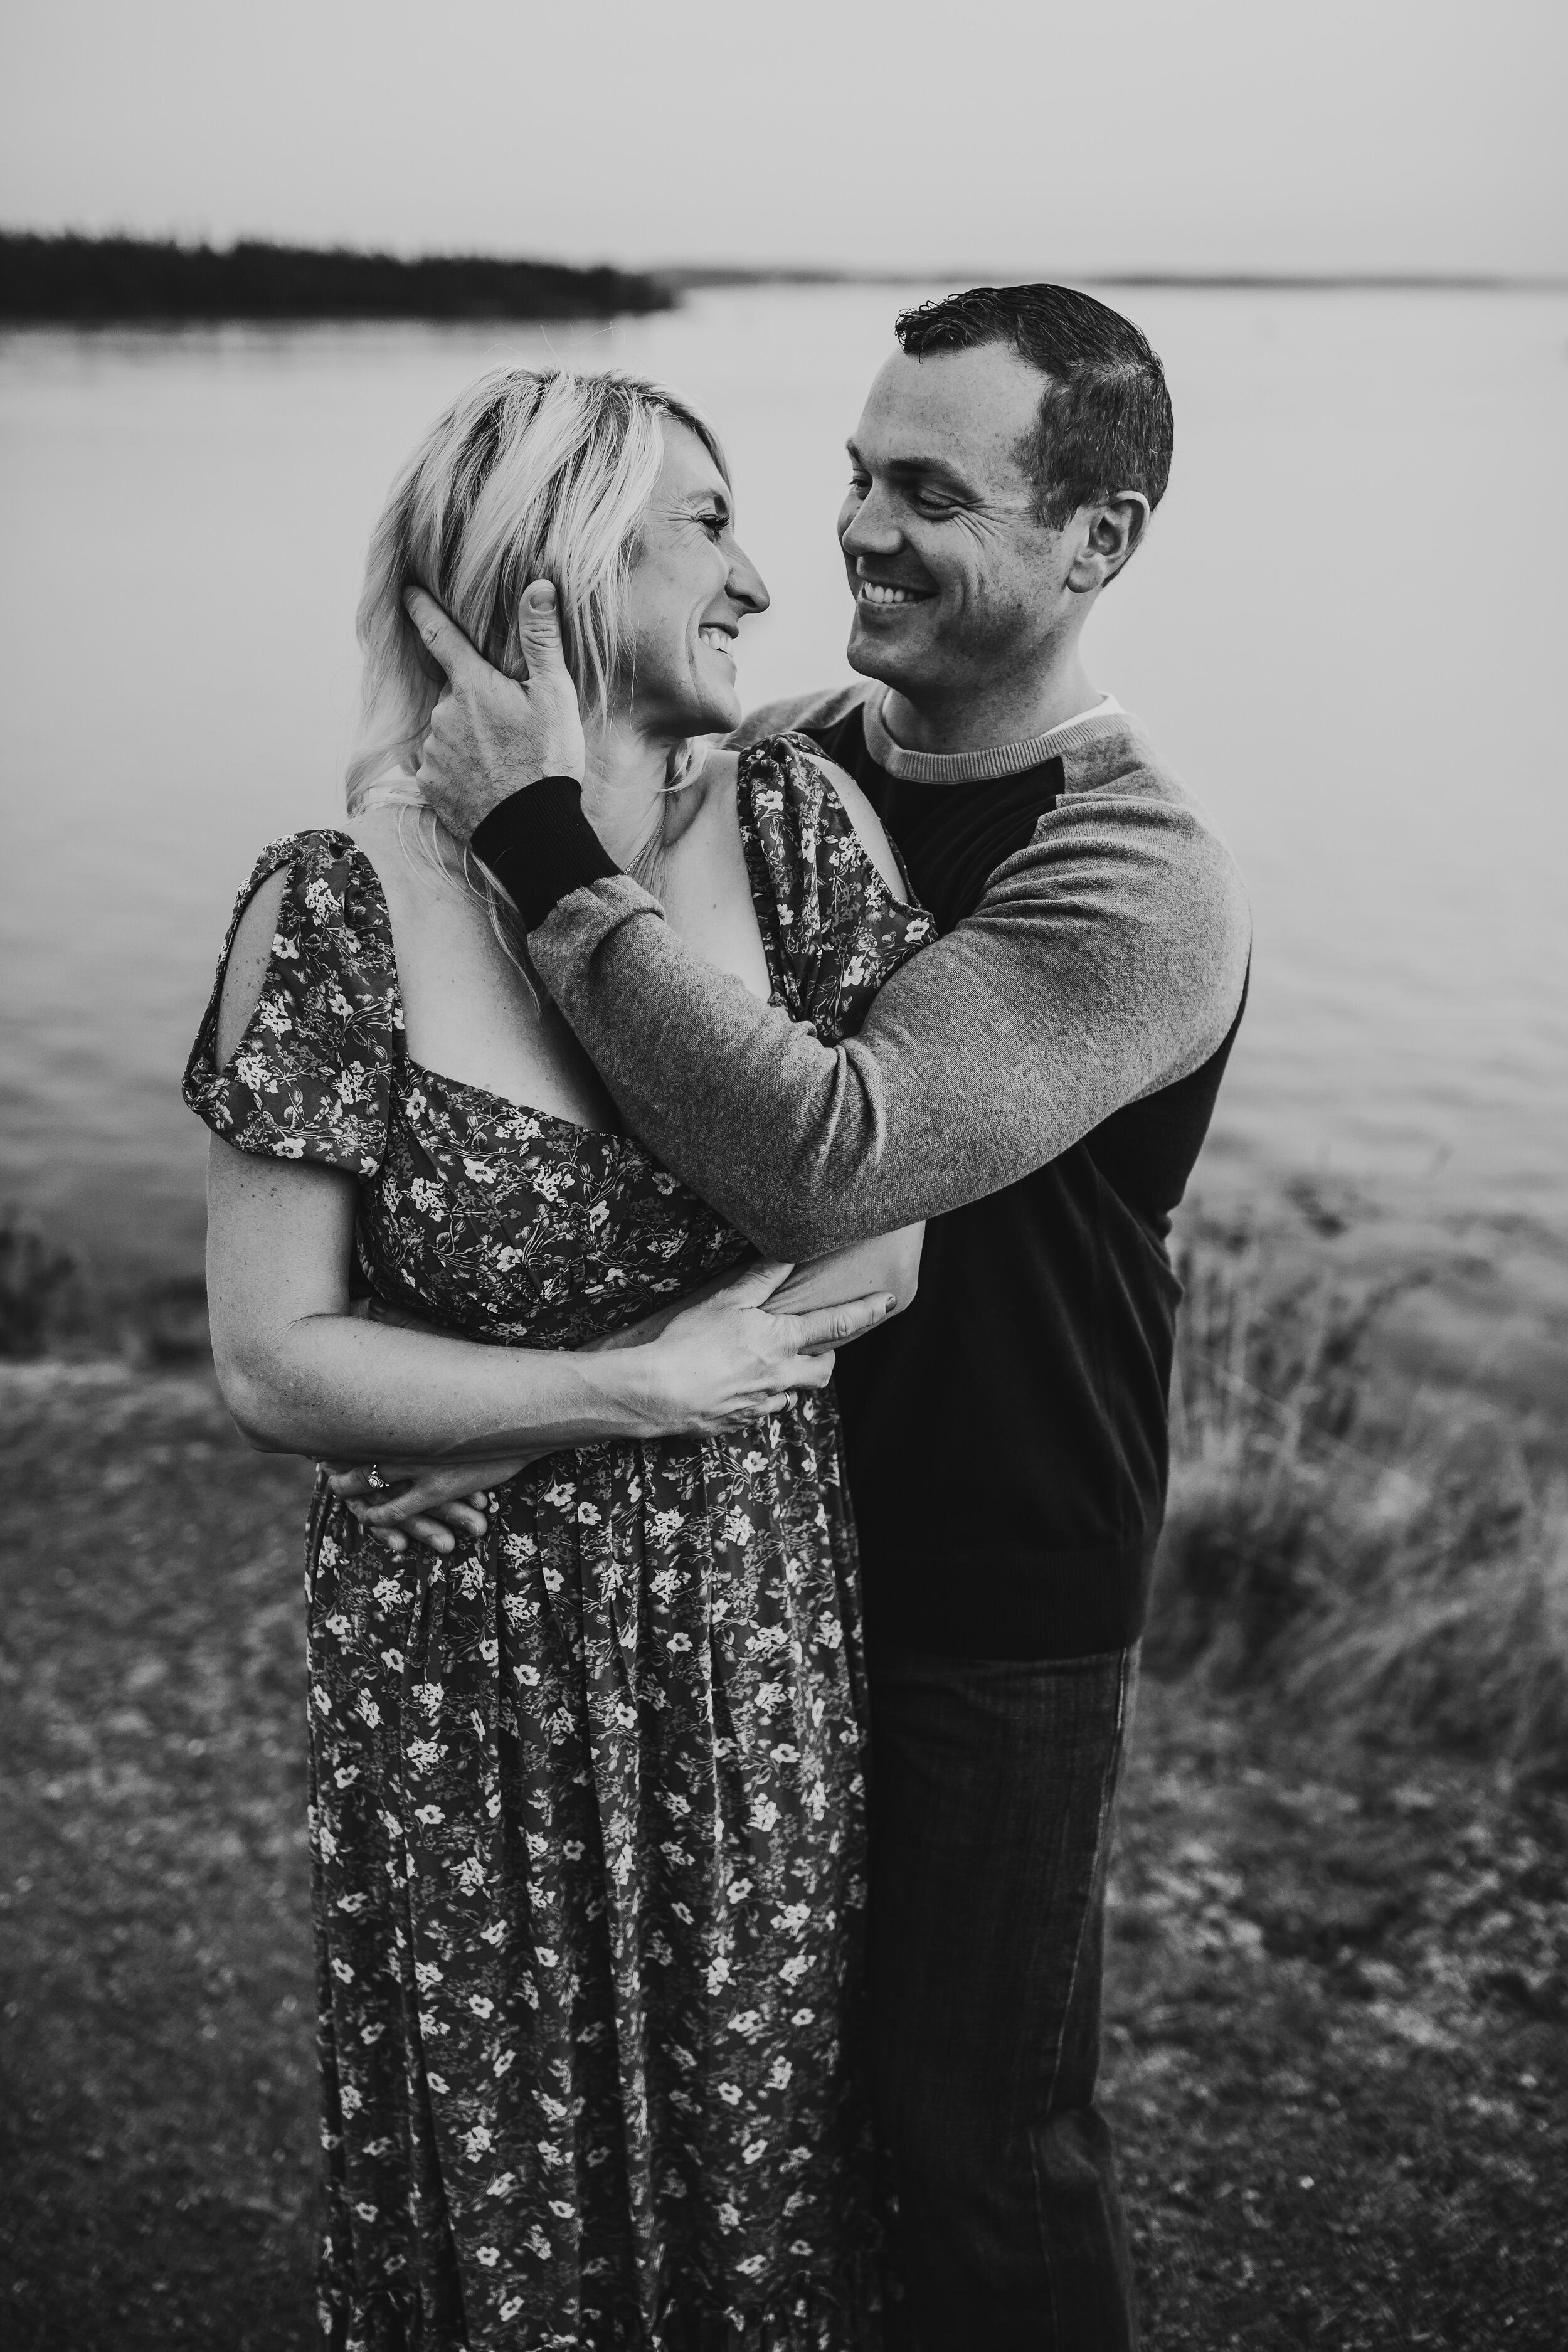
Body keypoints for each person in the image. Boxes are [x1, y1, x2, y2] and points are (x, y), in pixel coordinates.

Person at [390, 284, 1253, 2351]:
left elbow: (825, 1156)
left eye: (929, 493)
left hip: (988, 1587)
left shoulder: (1132, 875)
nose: (856, 530)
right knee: (765, 2134)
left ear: (1093, 541)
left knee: (975, 2145)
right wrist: (472, 1404)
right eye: (853, 475)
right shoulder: (780, 767)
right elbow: (577, 1110)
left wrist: (532, 836)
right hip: (742, 1561)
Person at [183, 363, 940, 2348]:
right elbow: (274, 1365)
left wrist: (535, 1409)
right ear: (559, 557)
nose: (764, 579)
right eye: (704, 523)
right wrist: (621, 1391)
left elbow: (883, 1245)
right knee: (496, 2170)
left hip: (741, 1630)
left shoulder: (797, 830)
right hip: (460, 1669)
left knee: (750, 2138)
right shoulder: (331, 909)